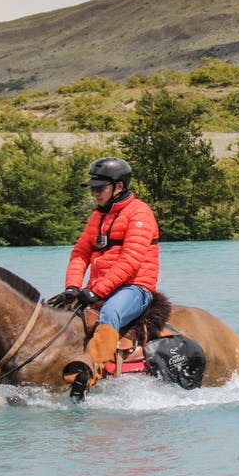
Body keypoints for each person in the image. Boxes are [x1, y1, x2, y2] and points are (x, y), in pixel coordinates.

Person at [50, 157, 159, 394]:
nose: (95, 193)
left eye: (100, 188)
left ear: (119, 186)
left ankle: (91, 373)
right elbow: (80, 252)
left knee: (110, 312)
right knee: (58, 314)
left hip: (135, 288)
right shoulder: (98, 216)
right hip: (101, 286)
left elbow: (131, 260)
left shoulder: (140, 213)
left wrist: (96, 291)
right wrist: (72, 287)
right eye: (93, 189)